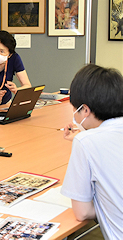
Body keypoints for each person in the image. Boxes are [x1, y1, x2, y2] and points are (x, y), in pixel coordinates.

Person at [60, 64, 123, 239]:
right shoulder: (89, 139)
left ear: (85, 110)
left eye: (75, 111)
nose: (75, 117)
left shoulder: (86, 142)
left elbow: (83, 213)